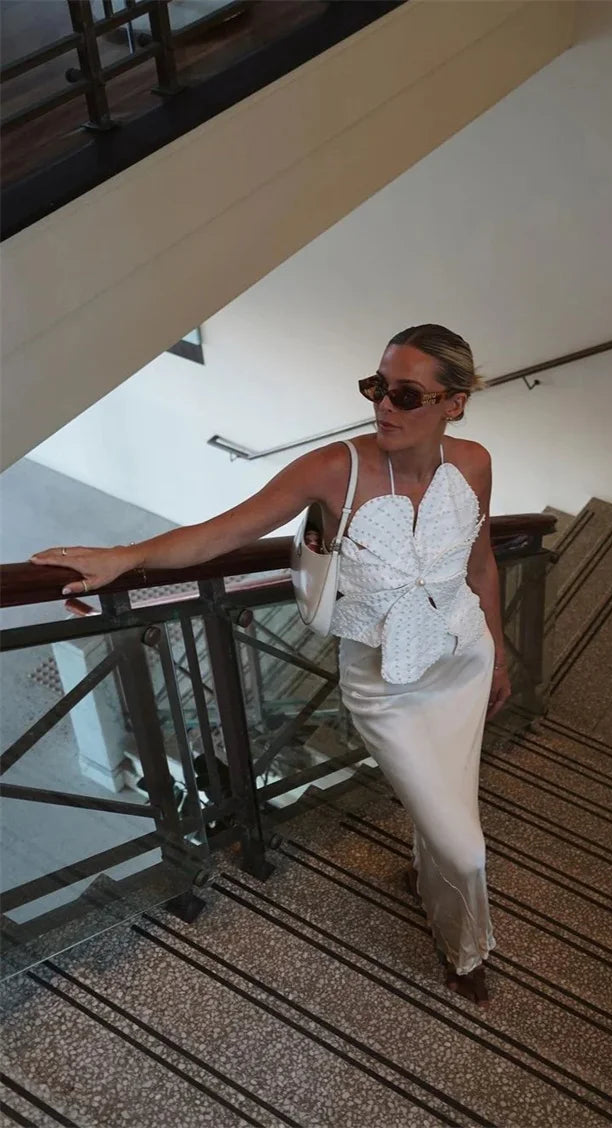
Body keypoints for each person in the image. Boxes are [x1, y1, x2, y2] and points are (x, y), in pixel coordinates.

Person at [31, 323, 512, 1006]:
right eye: (376, 387)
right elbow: (222, 534)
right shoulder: (335, 470)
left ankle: (426, 876)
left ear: (453, 404)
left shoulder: (474, 464)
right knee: (468, 847)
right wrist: (127, 556)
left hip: (462, 661)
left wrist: (499, 653)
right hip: (384, 689)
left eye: (406, 394)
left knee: (450, 803)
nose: (383, 405)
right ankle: (466, 950)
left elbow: (481, 564)